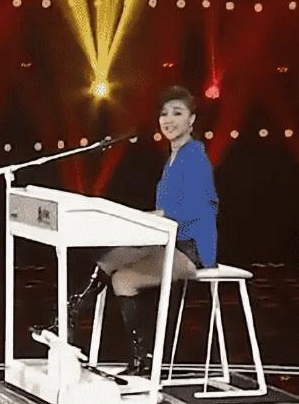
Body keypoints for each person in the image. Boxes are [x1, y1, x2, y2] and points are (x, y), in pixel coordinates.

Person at [66, 85, 219, 375]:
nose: (168, 120)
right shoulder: (174, 157)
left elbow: (189, 209)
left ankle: (70, 316)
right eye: (164, 114)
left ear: (191, 120)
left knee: (121, 263)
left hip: (192, 248)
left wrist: (147, 217)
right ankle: (138, 358)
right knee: (120, 275)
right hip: (170, 240)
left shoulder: (194, 156)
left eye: (177, 113)